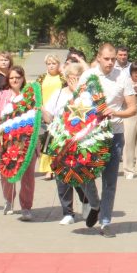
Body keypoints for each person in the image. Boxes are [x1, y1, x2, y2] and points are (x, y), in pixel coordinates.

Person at [80, 43, 137, 237]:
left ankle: (105, 222)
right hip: (90, 133)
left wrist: (116, 112)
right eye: (106, 59)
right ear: (98, 58)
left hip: (114, 133)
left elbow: (133, 108)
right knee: (84, 174)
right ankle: (95, 204)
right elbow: (77, 103)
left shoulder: (123, 78)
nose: (110, 63)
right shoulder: (88, 76)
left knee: (110, 180)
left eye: (113, 59)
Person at [43, 61, 101, 226]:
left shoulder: (86, 95)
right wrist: (46, 114)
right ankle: (67, 212)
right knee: (62, 176)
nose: (73, 81)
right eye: (71, 78)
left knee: (81, 175)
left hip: (81, 143)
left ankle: (88, 201)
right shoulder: (58, 94)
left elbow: (90, 113)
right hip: (61, 141)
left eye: (77, 78)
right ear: (66, 78)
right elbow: (49, 113)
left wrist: (78, 92)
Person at [0, 66, 39, 221]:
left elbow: (38, 114)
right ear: (7, 80)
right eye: (11, 78)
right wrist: (3, 116)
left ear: (23, 78)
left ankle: (26, 207)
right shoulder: (2, 95)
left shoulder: (30, 96)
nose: (15, 80)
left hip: (27, 142)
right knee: (6, 174)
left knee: (28, 176)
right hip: (6, 143)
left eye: (18, 77)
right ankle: (8, 199)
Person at [36, 54, 65, 179]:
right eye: (49, 63)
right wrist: (41, 108)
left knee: (57, 141)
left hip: (59, 114)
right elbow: (37, 94)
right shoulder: (41, 78)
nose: (51, 66)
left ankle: (57, 167)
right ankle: (48, 169)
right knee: (45, 141)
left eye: (54, 63)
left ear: (58, 64)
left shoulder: (62, 78)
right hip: (44, 113)